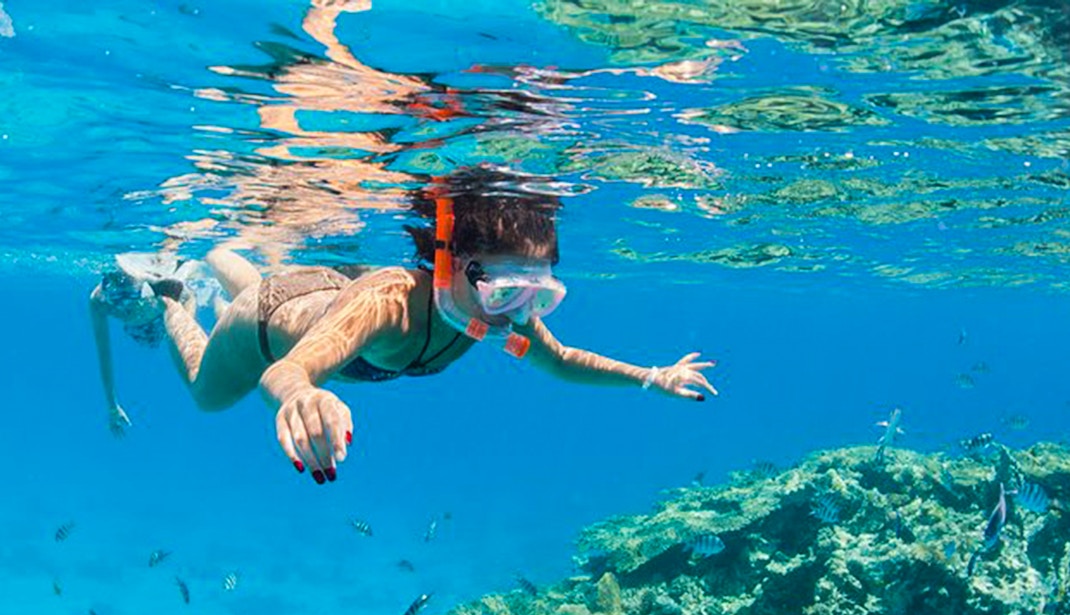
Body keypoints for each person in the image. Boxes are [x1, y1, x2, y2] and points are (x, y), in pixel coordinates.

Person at [155, 168, 718, 485]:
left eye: (539, 295)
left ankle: (221, 256)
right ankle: (172, 292)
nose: (517, 312)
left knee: (257, 281)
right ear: (455, 266)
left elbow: (563, 360)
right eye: (505, 291)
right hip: (264, 324)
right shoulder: (390, 301)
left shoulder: (503, 315)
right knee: (208, 393)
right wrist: (302, 395)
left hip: (318, 293)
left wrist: (652, 376)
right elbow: (289, 369)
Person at [89, 253, 211, 435]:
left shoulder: (101, 300)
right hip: (156, 308)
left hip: (156, 306)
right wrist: (112, 406)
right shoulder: (102, 301)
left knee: (172, 316)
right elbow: (104, 354)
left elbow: (104, 355)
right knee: (173, 317)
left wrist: (112, 405)